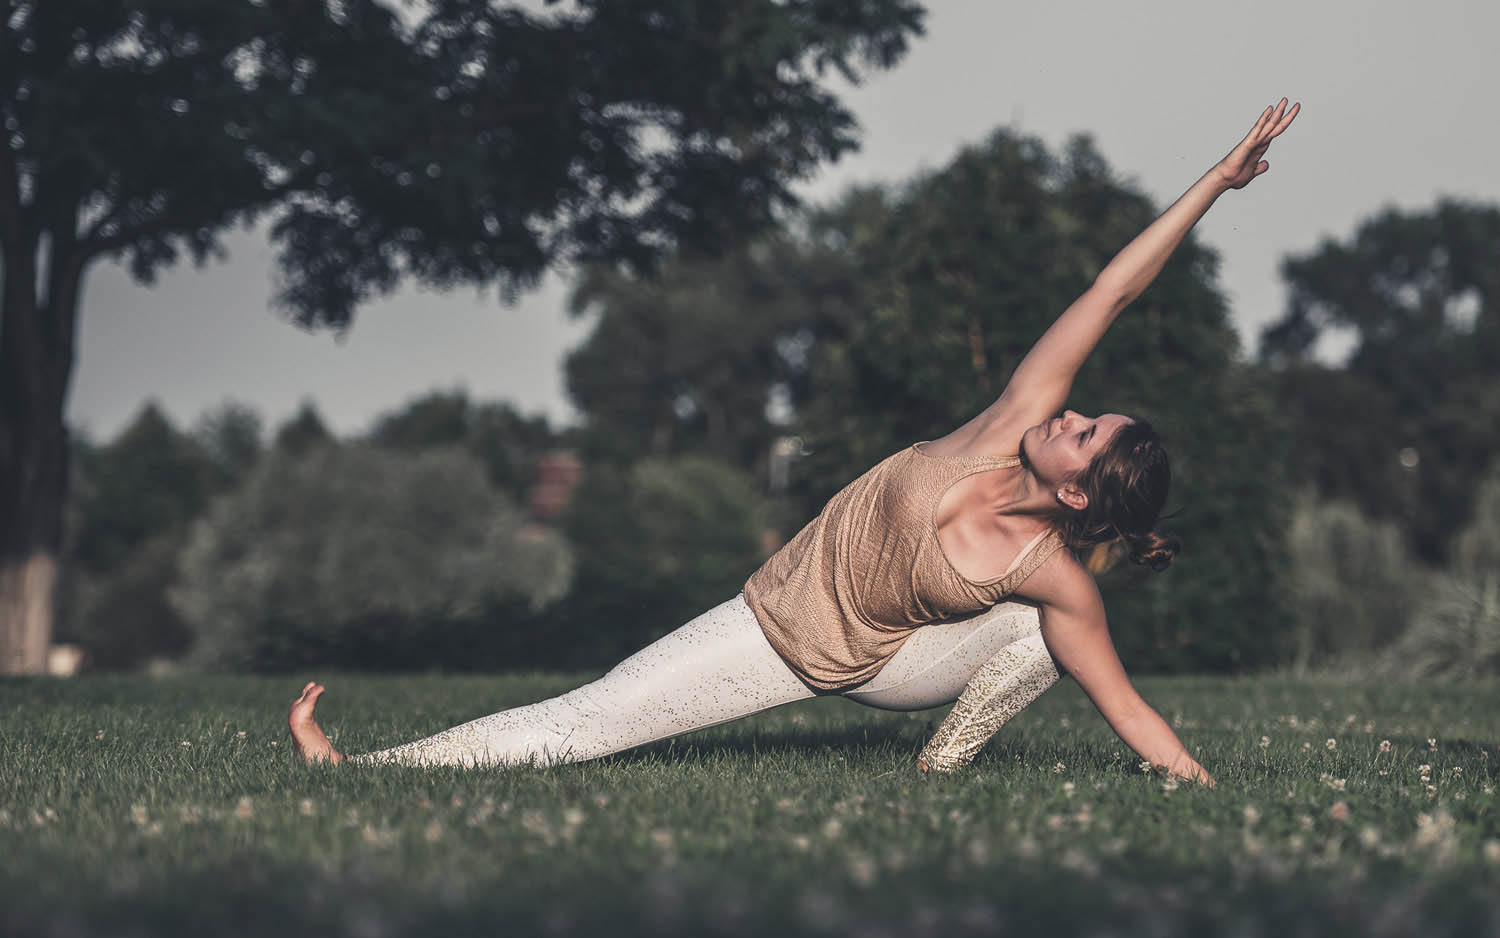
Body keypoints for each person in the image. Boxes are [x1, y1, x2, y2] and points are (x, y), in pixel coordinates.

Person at [289, 99, 1301, 783]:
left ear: (1078, 495)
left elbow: (1125, 706)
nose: (1068, 415)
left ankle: (943, 766)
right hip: (781, 620)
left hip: (888, 664)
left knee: (1053, 633)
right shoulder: (1008, 420)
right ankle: (362, 770)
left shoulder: (1055, 571)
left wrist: (1195, 779)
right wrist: (1215, 180)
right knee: (598, 714)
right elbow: (1113, 289)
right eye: (1083, 412)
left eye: (1083, 433)